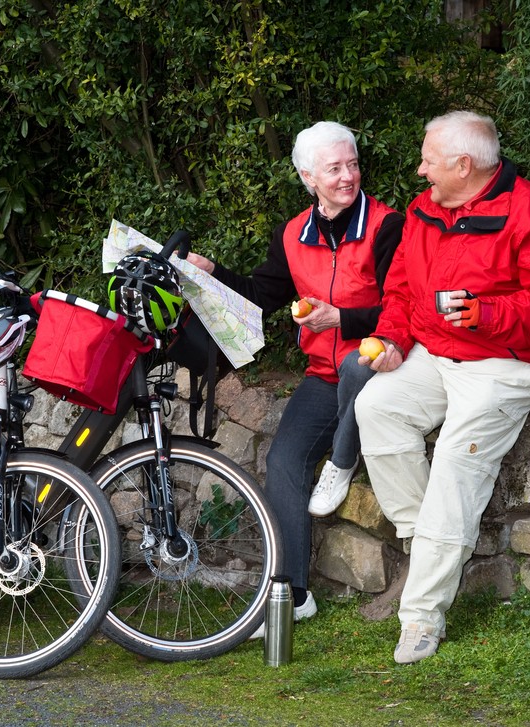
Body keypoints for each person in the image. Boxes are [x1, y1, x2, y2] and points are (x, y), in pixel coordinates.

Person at [354, 110, 530, 664]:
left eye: (428, 160)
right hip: (438, 351)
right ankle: (428, 546)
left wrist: (487, 314)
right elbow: (401, 289)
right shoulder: (425, 208)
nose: (420, 170)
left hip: (511, 362)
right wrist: (391, 339)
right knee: (376, 407)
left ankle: (421, 616)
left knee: (456, 463)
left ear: (464, 165)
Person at [187, 121, 403, 637]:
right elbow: (262, 295)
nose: (348, 176)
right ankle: (291, 594)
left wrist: (343, 319)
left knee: (356, 365)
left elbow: (403, 307)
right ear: (308, 177)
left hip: (381, 368)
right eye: (335, 168)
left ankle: (343, 460)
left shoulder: (387, 226)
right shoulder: (293, 233)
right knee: (283, 461)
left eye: (353, 164)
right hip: (323, 375)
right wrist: (213, 273)